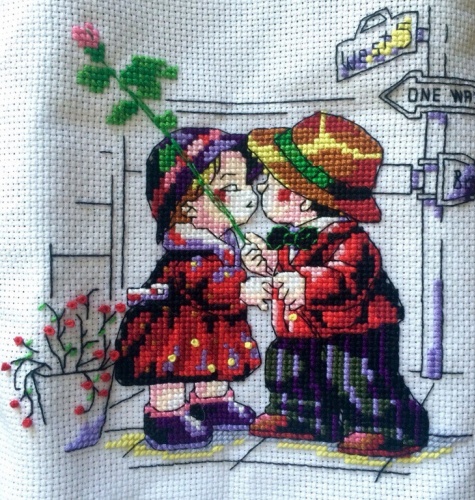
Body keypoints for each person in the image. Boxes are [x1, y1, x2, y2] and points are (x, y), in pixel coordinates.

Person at [242, 112, 429, 457]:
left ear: (301, 197)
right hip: (303, 330)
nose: (261, 186)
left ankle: (389, 426)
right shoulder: (295, 237)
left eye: (270, 180)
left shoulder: (351, 239)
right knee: (288, 365)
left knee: (357, 377)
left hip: (356, 332)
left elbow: (345, 278)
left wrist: (305, 283)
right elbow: (287, 267)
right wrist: (265, 263)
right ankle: (302, 414)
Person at [114, 128, 263, 451]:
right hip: (175, 326)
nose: (250, 196)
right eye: (230, 188)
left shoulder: (224, 242)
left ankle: (212, 402)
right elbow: (206, 285)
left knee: (215, 358)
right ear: (188, 206)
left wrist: (250, 264)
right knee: (171, 368)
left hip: (212, 325)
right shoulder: (190, 249)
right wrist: (242, 290)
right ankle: (166, 416)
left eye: (247, 184)